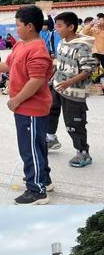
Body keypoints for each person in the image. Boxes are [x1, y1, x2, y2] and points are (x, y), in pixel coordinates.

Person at [0, 6, 54, 204]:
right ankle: (43, 178)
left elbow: (36, 80)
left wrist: (16, 100)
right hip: (24, 108)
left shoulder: (38, 50)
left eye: (18, 25)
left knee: (30, 149)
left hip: (31, 108)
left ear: (29, 26)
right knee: (36, 146)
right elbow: (9, 65)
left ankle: (37, 190)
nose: (16, 28)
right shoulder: (22, 44)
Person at [47, 12, 98, 168]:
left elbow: (88, 69)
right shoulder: (62, 42)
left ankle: (83, 152)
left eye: (59, 25)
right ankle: (50, 139)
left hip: (74, 92)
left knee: (74, 122)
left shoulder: (82, 46)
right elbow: (60, 63)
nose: (56, 28)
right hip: (58, 86)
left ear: (71, 27)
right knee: (50, 112)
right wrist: (52, 77)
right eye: (55, 25)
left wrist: (70, 82)